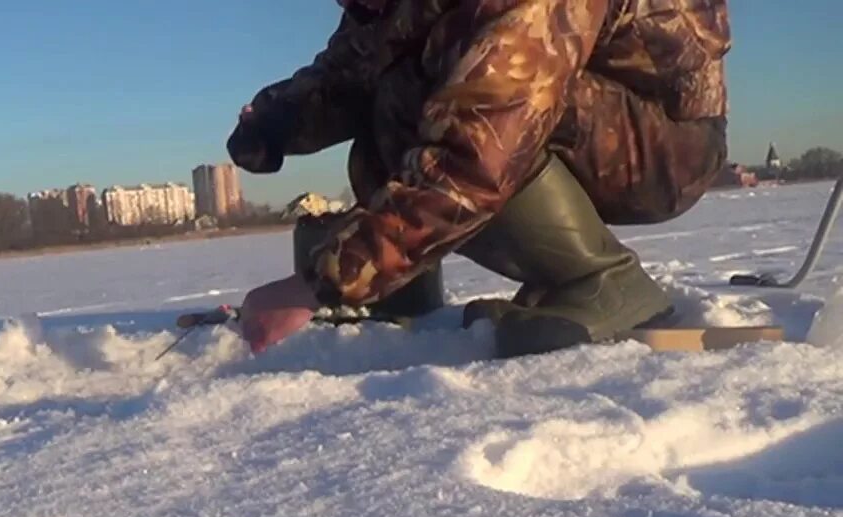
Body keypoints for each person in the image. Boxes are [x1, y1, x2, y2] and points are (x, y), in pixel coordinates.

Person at [228, 0, 730, 357]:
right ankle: (542, 280)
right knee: (385, 122)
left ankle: (604, 282)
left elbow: (476, 151)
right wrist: (273, 124)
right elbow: (346, 74)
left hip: (667, 146)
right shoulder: (382, 8)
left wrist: (318, 284)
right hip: (563, 119)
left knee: (428, 104)